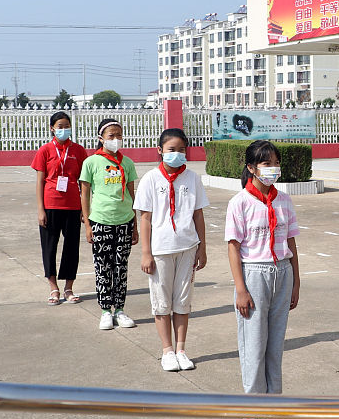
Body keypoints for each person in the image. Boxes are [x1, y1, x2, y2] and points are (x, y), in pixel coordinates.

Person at [225, 140, 300, 419]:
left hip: (282, 271)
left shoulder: (284, 201)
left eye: (276, 163)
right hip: (254, 273)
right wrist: (241, 289)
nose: (273, 169)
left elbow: (291, 241)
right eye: (266, 164)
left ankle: (274, 403)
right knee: (254, 342)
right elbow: (233, 247)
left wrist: (296, 281)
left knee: (275, 343)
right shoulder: (240, 202)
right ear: (252, 168)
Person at [135, 129, 209, 372]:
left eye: (181, 150)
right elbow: (145, 218)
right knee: (161, 302)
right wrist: (146, 252)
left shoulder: (192, 178)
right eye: (171, 149)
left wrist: (202, 247)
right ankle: (167, 350)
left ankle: (181, 349)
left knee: (183, 301)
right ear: (160, 150)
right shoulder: (150, 179)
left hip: (187, 247)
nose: (176, 154)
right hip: (161, 250)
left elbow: (198, 214)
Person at [79, 118, 139, 331]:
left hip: (124, 221)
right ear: (101, 138)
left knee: (121, 267)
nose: (115, 139)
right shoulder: (91, 163)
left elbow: (132, 194)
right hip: (101, 221)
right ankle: (105, 311)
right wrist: (88, 225)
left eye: (119, 135)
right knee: (103, 267)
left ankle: (119, 309)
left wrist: (135, 224)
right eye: (111, 135)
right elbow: (84, 195)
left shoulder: (127, 163)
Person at [31, 111, 87, 304]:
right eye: (60, 126)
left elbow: (84, 182)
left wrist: (84, 209)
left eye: (67, 126)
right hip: (51, 205)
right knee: (49, 246)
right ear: (52, 129)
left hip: (73, 205)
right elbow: (40, 182)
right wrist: (41, 210)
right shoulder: (45, 150)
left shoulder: (78, 151)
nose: (64, 129)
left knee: (71, 247)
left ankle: (68, 288)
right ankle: (53, 287)